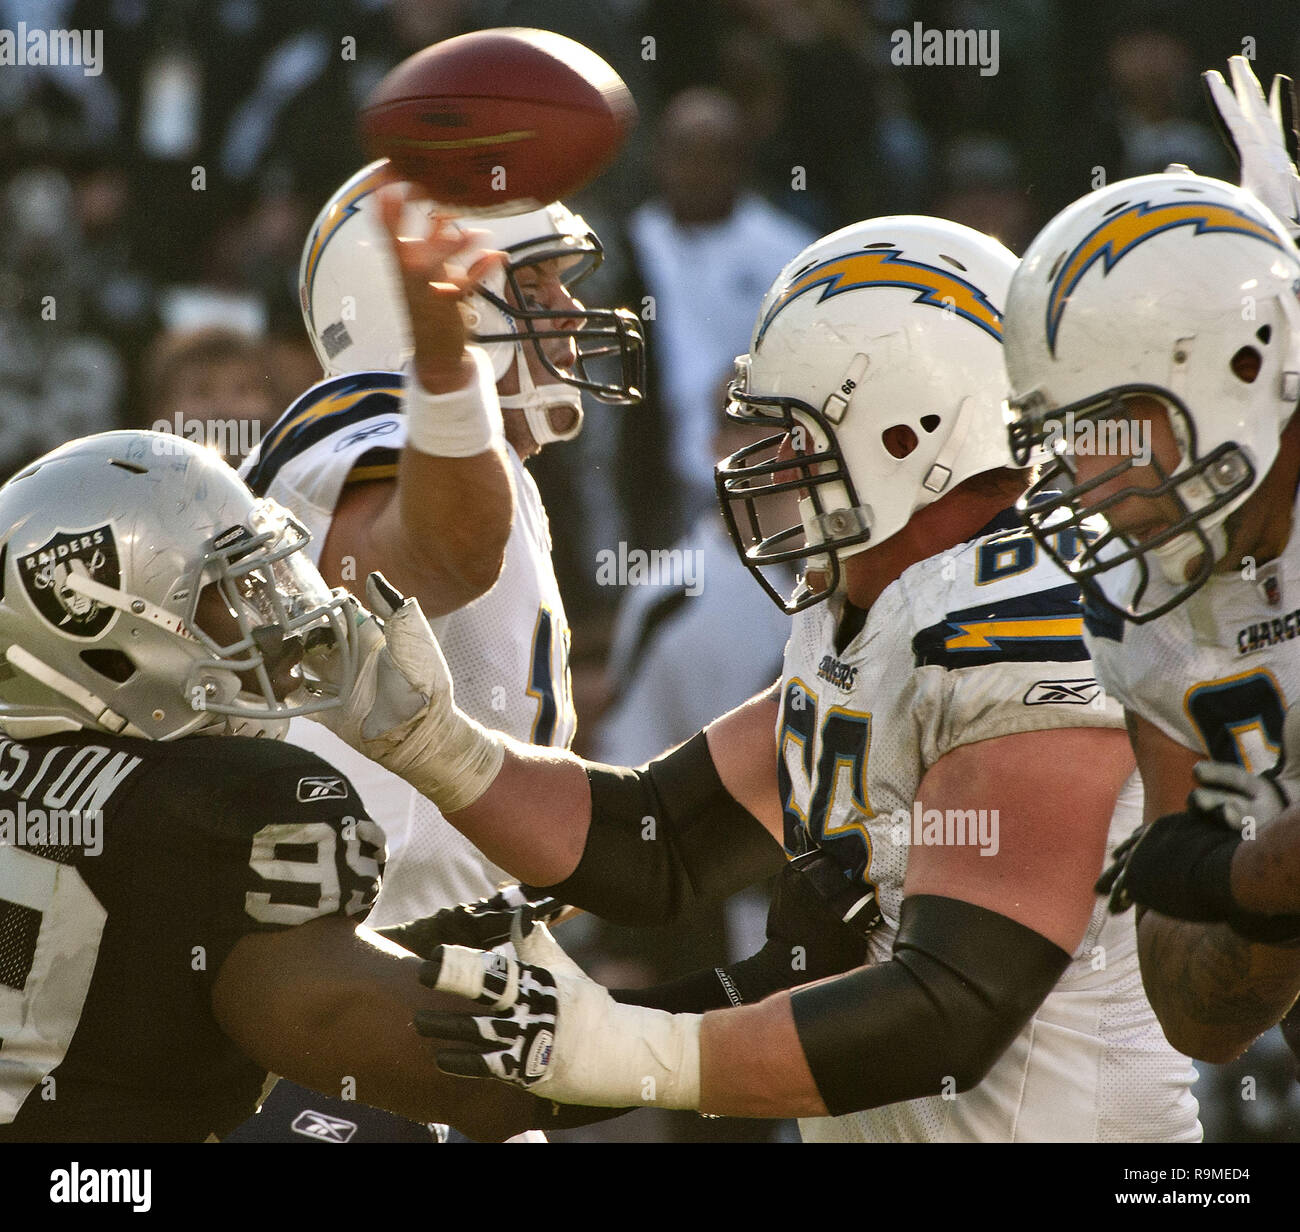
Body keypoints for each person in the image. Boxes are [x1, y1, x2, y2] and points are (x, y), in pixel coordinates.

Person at [311, 216, 1200, 1141]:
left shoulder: (1030, 614)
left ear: (913, 430)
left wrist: (612, 1050)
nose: (767, 461)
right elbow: (657, 842)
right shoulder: (884, 603)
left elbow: (949, 1010)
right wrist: (432, 742)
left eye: (797, 430)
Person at [231, 159, 645, 1140]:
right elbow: (441, 552)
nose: (570, 315)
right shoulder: (370, 429)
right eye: (534, 286)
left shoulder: (472, 456)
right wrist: (449, 375)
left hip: (431, 985)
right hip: (353, 994)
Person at [0, 430, 563, 1142]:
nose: (271, 620)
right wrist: (666, 1044)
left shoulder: (63, 780)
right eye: (226, 592)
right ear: (94, 619)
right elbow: (392, 1037)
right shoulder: (212, 802)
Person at [999, 58, 1300, 1065]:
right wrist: (1257, 887)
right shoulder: (1143, 604)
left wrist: (1253, 877)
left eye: (1116, 421)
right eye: (1065, 432)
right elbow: (1196, 1012)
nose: (1086, 470)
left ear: (1248, 368)